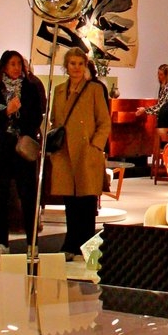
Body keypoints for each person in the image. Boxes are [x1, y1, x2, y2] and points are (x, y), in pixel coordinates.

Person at [48, 48, 111, 259]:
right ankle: (71, 243)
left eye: (80, 63)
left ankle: (88, 248)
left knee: (87, 202)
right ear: (66, 66)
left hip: (87, 152)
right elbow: (55, 120)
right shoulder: (59, 90)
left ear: (85, 66)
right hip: (65, 152)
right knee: (70, 202)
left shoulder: (94, 89)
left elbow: (104, 121)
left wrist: (95, 146)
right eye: (72, 63)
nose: (76, 68)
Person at [0, 49, 46, 258]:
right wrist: (7, 112)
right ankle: (1, 242)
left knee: (27, 196)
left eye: (19, 64)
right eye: (12, 64)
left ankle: (32, 243)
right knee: (0, 196)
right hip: (0, 149)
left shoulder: (30, 88)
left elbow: (37, 116)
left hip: (23, 148)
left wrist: (21, 120)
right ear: (4, 66)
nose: (17, 68)